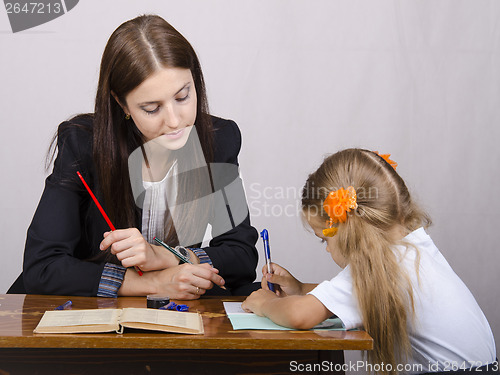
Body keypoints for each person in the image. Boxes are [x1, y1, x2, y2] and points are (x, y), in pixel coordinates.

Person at [11, 15, 259, 298]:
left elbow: (240, 255)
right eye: (152, 108)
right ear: (121, 103)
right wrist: (153, 284)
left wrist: (168, 257)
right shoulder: (82, 143)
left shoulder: (218, 138)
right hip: (86, 315)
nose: (175, 121)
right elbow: (43, 267)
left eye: (183, 97)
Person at [242, 149, 497, 374]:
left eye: (324, 239)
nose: (327, 249)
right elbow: (365, 294)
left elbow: (299, 316)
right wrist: (300, 289)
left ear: (347, 229)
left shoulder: (381, 265)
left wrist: (266, 303)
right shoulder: (415, 246)